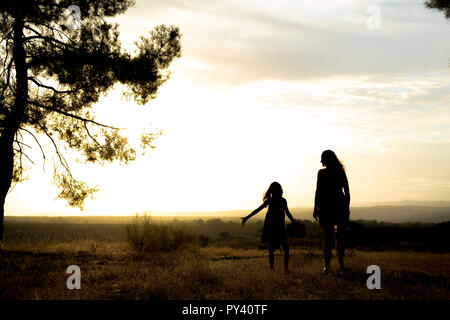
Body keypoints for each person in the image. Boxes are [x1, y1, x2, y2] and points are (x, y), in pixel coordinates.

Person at [241, 182, 296, 273]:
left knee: (273, 248)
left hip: (273, 226)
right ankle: (283, 269)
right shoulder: (280, 200)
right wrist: (247, 217)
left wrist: (247, 217)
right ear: (280, 190)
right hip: (275, 226)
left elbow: (258, 209)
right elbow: (288, 213)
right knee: (283, 248)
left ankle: (274, 269)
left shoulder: (274, 200)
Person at [313, 150, 350, 274]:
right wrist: (347, 208)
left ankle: (327, 266)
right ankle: (341, 265)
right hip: (339, 206)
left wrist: (315, 208)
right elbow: (347, 192)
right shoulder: (340, 172)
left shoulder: (321, 173)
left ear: (324, 161)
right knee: (339, 237)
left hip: (326, 207)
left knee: (328, 238)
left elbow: (318, 191)